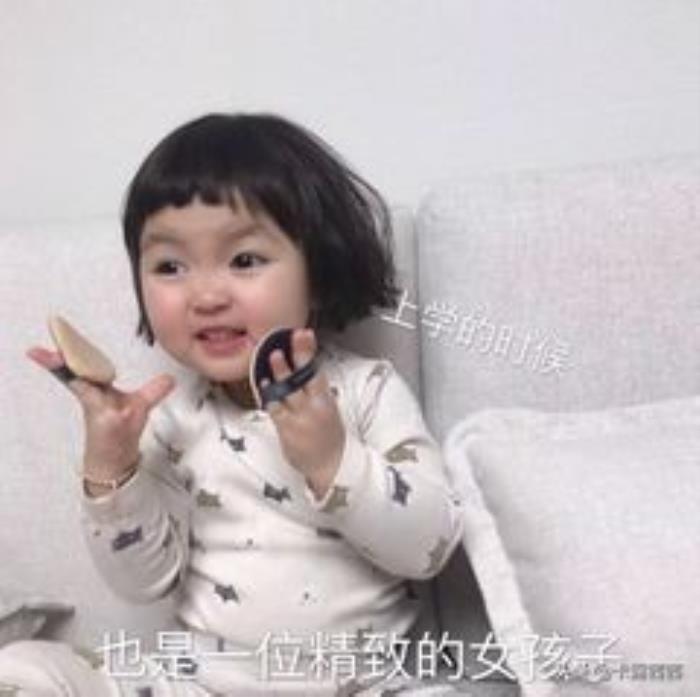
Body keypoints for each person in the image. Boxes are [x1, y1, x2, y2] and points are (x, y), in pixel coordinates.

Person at [3, 113, 463, 696]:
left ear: (318, 272)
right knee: (23, 668)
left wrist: (333, 460)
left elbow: (429, 547)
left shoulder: (366, 391)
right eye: (170, 266)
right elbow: (143, 582)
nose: (206, 295)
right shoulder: (171, 420)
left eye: (244, 260)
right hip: (203, 687)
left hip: (365, 685)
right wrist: (112, 469)